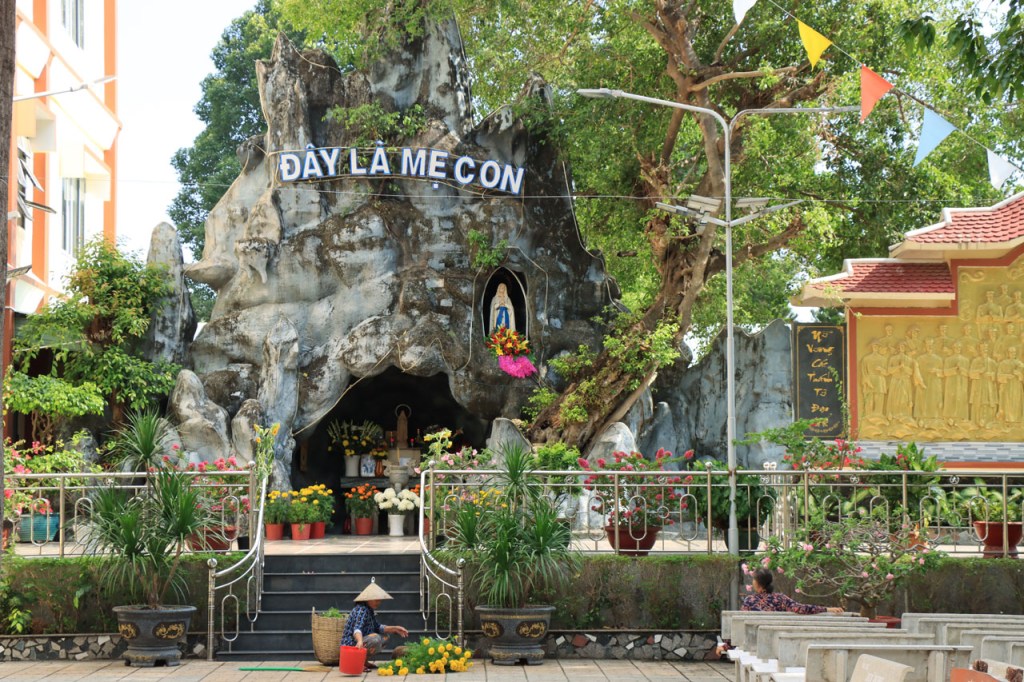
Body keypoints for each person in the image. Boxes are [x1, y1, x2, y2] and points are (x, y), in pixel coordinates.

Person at [715, 568, 842, 657]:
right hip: (779, 647)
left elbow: (740, 629)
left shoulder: (750, 601)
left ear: (758, 583)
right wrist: (826, 609)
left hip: (755, 648)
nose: (752, 582)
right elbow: (800, 608)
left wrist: (726, 646)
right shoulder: (780, 598)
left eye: (754, 579)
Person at [340, 579, 409, 671]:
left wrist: (395, 628)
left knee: (385, 637)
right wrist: (359, 641)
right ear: (368, 599)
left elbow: (377, 627)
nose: (378, 603)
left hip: (362, 640)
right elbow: (357, 629)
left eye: (379, 601)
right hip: (352, 644)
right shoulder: (361, 610)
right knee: (375, 639)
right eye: (376, 600)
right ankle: (357, 661)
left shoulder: (369, 610)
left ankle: (364, 661)